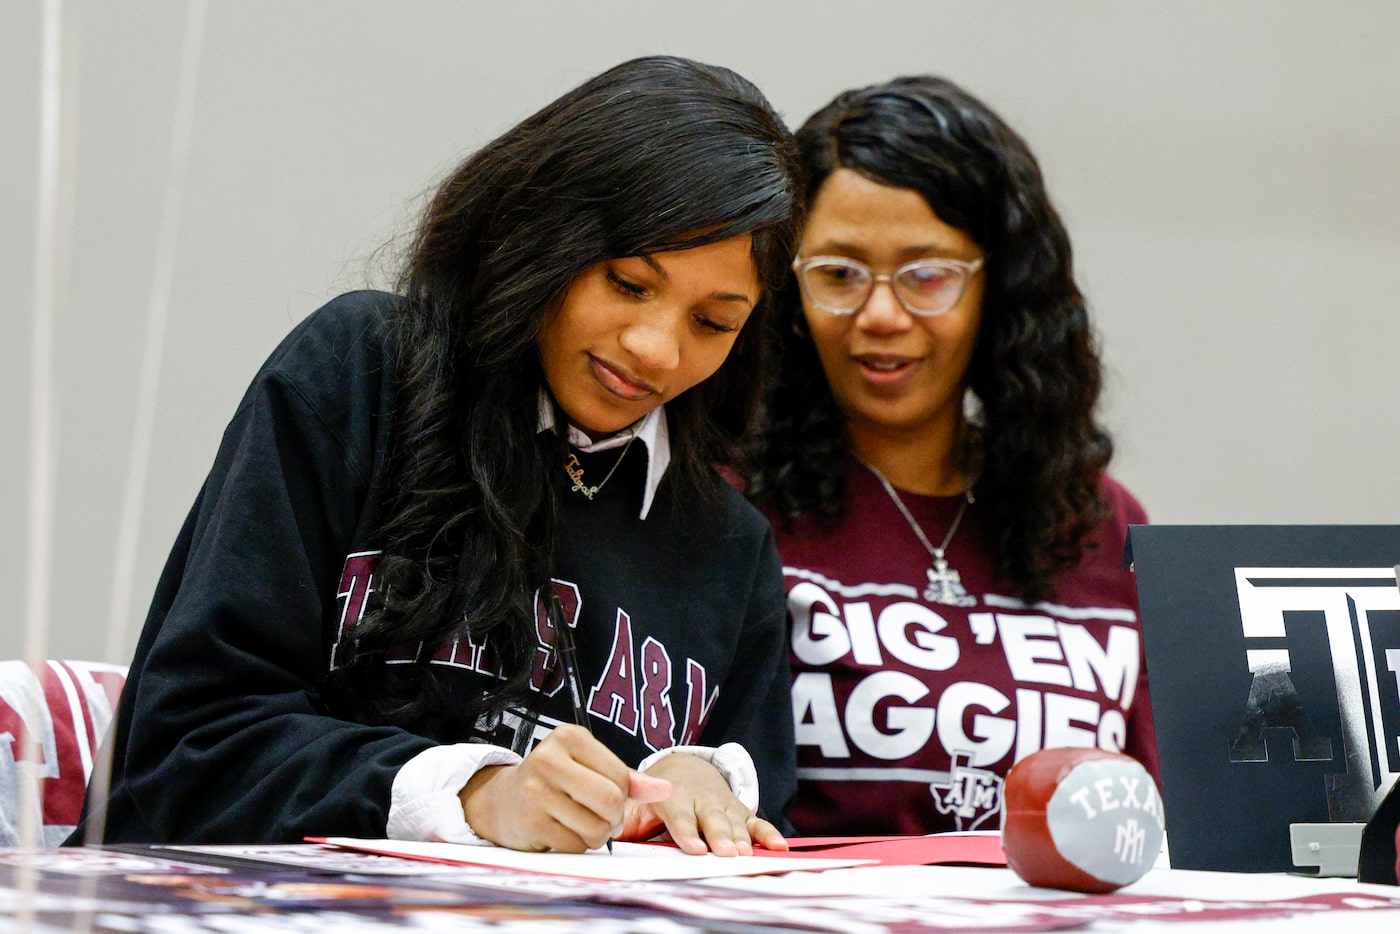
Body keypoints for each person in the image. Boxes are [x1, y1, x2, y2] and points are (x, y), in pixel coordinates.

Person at [74, 56, 802, 855]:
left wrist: (700, 790)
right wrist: (477, 795)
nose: (655, 349)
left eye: (713, 323)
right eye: (628, 283)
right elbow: (185, 750)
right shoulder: (365, 374)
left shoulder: (730, 548)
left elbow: (753, 844)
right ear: (545, 237)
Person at [743, 76, 1158, 836]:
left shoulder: (1100, 522)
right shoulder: (727, 503)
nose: (880, 315)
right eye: (838, 274)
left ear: (1000, 288)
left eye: (926, 275)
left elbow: (1172, 819)